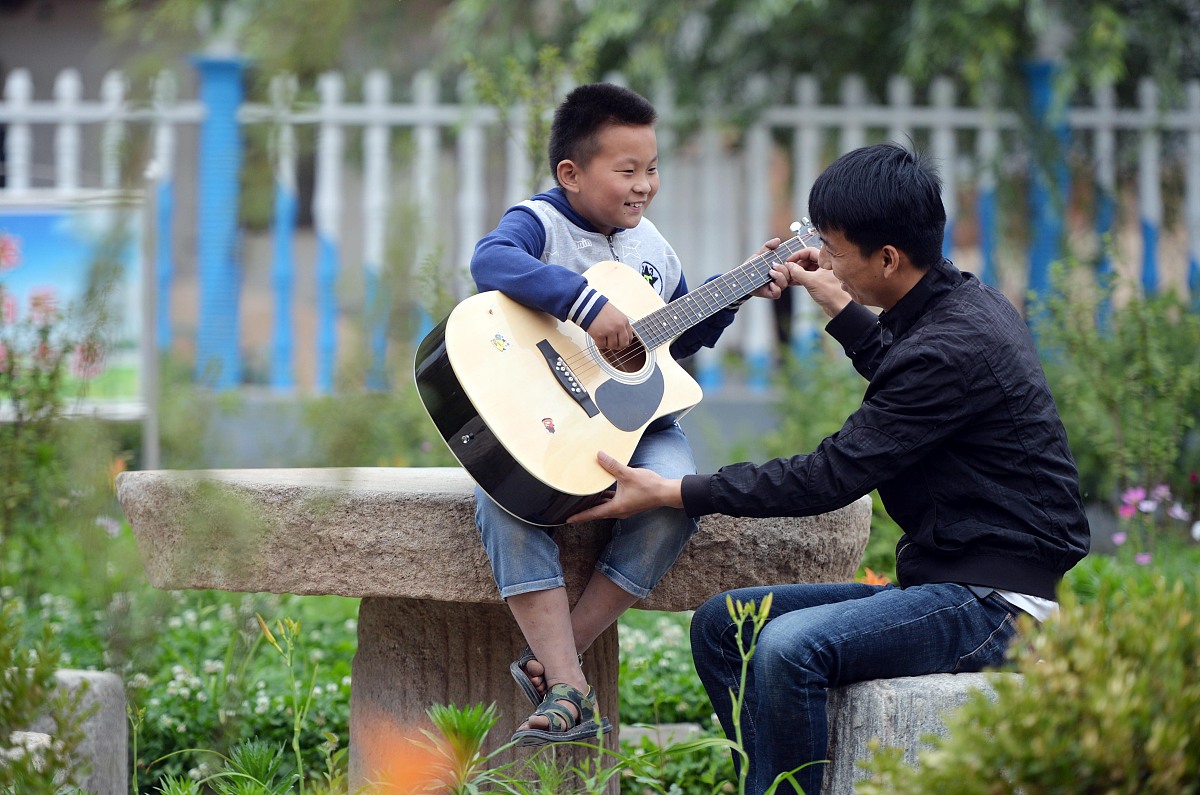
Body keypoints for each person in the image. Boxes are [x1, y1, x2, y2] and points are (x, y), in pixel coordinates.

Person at [568, 142, 1091, 793]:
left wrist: (674, 490)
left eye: (835, 249)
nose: (822, 258)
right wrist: (836, 302)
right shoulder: (954, 303)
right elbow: (909, 384)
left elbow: (830, 475)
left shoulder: (952, 344)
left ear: (889, 258)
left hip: (995, 602)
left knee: (790, 649)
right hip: (948, 581)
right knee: (724, 625)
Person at [469, 82, 790, 747]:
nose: (645, 185)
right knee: (504, 499)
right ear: (572, 173)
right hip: (545, 416)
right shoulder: (541, 222)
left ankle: (559, 670)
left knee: (676, 495)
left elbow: (678, 339)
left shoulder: (653, 250)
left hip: (640, 427)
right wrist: (583, 305)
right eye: (627, 170)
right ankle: (569, 680)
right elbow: (489, 260)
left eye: (652, 168)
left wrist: (734, 292)